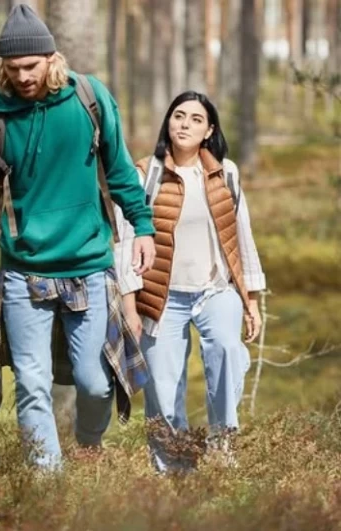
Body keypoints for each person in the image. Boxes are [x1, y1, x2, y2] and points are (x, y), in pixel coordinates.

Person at [0, 4, 155, 471]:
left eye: (31, 65)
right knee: (32, 384)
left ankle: (88, 447)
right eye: (13, 68)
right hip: (24, 272)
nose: (23, 76)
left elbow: (119, 171)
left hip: (88, 266)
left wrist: (143, 227)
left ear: (52, 58)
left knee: (95, 382)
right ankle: (48, 483)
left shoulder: (90, 99)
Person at [114, 91, 266, 473]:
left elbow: (241, 235)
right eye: (178, 116)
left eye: (196, 119)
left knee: (228, 353)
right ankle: (174, 471)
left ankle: (222, 448)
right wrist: (129, 307)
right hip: (161, 297)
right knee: (163, 389)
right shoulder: (143, 175)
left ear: (209, 130)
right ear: (168, 122)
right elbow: (124, 243)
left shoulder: (225, 173)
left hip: (216, 290)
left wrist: (250, 299)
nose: (185, 124)